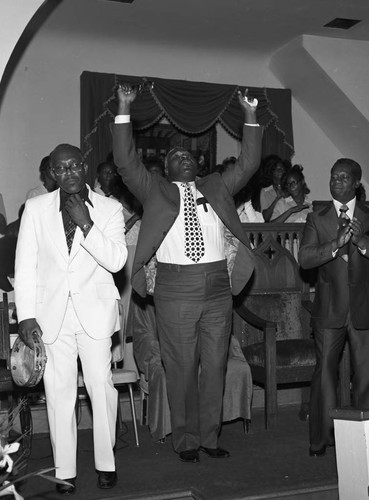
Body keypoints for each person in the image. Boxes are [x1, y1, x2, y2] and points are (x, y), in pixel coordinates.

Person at [112, 84, 261, 463]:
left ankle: (210, 437)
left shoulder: (216, 186)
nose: (187, 157)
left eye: (190, 154)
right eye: (177, 155)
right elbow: (127, 162)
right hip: (175, 288)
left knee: (214, 364)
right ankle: (186, 440)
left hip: (217, 287)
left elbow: (248, 164)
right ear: (166, 168)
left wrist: (250, 116)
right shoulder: (155, 190)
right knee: (180, 367)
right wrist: (125, 108)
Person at [14, 144, 127, 494]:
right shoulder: (35, 209)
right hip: (51, 317)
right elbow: (26, 265)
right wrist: (26, 316)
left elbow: (117, 261)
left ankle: (106, 463)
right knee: (58, 392)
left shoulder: (109, 209)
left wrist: (87, 224)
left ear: (84, 165)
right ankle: (65, 470)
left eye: (74, 166)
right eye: (60, 169)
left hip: (94, 313)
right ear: (52, 173)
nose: (69, 174)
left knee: (100, 387)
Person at [298, 158, 369, 457]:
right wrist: (335, 245)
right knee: (325, 375)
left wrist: (362, 240)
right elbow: (305, 258)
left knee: (366, 377)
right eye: (333, 176)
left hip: (366, 308)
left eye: (343, 177)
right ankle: (322, 440)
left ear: (356, 182)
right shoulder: (318, 217)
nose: (337, 181)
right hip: (330, 309)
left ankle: (368, 443)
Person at [258, 155, 289, 221]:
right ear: (271, 172)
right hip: (274, 227)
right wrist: (277, 199)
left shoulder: (289, 188)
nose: (282, 171)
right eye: (278, 169)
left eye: (283, 169)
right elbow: (265, 218)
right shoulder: (266, 191)